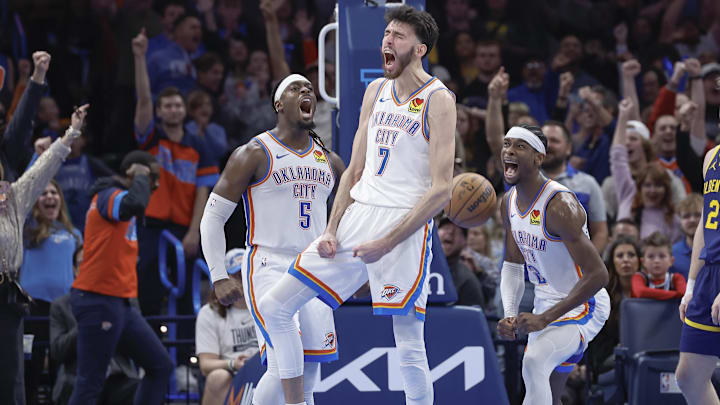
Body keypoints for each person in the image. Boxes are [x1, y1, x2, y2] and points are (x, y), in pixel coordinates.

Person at [234, 6, 456, 405]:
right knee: (275, 306)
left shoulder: (439, 100)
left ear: (420, 49)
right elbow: (353, 169)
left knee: (408, 343)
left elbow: (441, 190)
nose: (387, 41)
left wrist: (387, 242)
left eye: (398, 36)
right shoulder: (375, 91)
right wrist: (332, 228)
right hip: (360, 215)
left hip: (404, 224)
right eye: (386, 34)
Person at [199, 70, 345, 405]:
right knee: (283, 360)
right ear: (279, 103)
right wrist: (219, 275)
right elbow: (212, 218)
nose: (306, 91)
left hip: (313, 268)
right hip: (269, 263)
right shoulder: (254, 152)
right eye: (296, 88)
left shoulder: (328, 159)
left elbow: (350, 211)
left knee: (308, 372)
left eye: (309, 88)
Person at [497, 124, 610, 405]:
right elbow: (512, 264)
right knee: (549, 389)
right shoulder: (507, 203)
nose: (509, 151)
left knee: (534, 363)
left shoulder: (559, 205)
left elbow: (598, 275)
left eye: (520, 146)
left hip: (585, 303)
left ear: (539, 158)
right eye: (506, 144)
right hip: (545, 302)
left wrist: (544, 319)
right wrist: (511, 314)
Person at [68, 151, 174, 404]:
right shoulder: (109, 195)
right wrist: (139, 175)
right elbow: (134, 204)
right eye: (152, 177)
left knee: (160, 366)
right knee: (90, 382)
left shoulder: (117, 197)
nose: (156, 184)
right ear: (132, 173)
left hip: (120, 303)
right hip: (98, 298)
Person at [132, 27, 219, 316]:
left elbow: (203, 192)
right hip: (151, 227)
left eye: (177, 105)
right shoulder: (151, 139)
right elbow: (144, 100)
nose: (172, 109)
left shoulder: (199, 146)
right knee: (147, 283)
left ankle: (184, 356)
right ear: (159, 112)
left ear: (185, 110)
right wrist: (140, 57)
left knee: (186, 286)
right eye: (167, 106)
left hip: (184, 228)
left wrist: (195, 232)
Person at [675, 143, 720, 405]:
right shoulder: (713, 156)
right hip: (710, 272)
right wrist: (691, 285)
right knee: (689, 376)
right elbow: (707, 220)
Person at [611, 98, 683, 242]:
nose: (652, 190)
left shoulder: (672, 219)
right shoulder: (628, 193)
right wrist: (623, 115)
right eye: (647, 185)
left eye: (658, 185)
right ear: (639, 186)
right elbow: (617, 157)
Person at [50, 293, 141, 405]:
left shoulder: (125, 300)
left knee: (140, 388)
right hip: (77, 376)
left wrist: (115, 318)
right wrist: (86, 322)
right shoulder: (61, 305)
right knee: (74, 389)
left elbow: (138, 345)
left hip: (118, 375)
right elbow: (58, 351)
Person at [196, 249, 259, 405]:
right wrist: (233, 364)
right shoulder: (210, 312)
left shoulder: (268, 303)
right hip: (233, 372)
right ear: (225, 279)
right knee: (217, 377)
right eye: (236, 275)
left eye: (246, 271)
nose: (242, 279)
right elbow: (206, 364)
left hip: (266, 368)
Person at [541, 121, 608, 253]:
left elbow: (600, 232)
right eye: (543, 140)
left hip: (572, 269)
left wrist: (586, 267)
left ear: (568, 148)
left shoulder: (588, 184)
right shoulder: (522, 180)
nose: (548, 145)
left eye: (554, 141)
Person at [437, 217, 486, 307]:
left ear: (465, 243)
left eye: (458, 230)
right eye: (445, 227)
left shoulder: (468, 280)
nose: (450, 232)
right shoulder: (416, 269)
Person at [631, 231, 686, 299]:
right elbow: (641, 292)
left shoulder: (676, 278)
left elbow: (683, 294)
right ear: (643, 262)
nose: (656, 261)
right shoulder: (638, 277)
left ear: (671, 261)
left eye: (662, 256)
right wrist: (675, 295)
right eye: (651, 256)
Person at [672, 194, 703, 280]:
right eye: (686, 216)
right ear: (680, 220)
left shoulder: (716, 250)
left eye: (697, 215)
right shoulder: (672, 253)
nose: (692, 220)